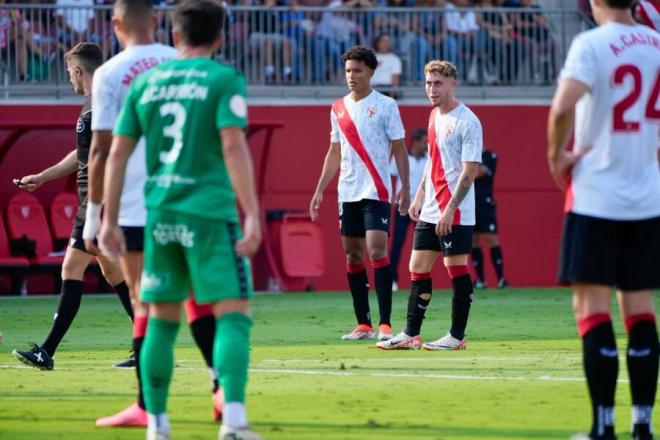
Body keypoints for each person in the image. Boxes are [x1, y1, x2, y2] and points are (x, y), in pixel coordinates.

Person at [98, 2, 262, 438]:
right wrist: (252, 214)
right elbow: (232, 147)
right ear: (221, 39)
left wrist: (108, 219)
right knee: (232, 315)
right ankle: (234, 421)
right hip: (209, 214)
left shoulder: (146, 82)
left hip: (159, 216)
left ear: (174, 36)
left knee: (159, 320)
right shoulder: (224, 78)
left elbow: (116, 153)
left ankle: (157, 425)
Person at [81, 0, 222, 428]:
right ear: (158, 22)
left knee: (145, 302)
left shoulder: (108, 74)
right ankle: (221, 388)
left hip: (134, 204)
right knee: (198, 296)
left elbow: (103, 151)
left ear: (116, 23)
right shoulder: (179, 62)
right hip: (187, 198)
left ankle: (149, 409)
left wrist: (93, 217)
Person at [547, 0, 660, 438]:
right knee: (640, 308)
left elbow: (561, 109)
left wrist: (556, 156)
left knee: (591, 309)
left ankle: (602, 426)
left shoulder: (591, 44)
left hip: (596, 195)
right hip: (647, 198)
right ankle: (644, 426)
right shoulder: (655, 44)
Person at [11, 42, 133, 371]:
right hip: (100, 200)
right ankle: (145, 344)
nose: (69, 81)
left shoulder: (99, 105)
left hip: (97, 201)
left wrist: (96, 206)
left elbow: (101, 157)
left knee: (70, 269)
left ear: (78, 70)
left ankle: (46, 350)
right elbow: (81, 155)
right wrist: (44, 176)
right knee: (112, 271)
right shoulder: (98, 103)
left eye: (69, 74)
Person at [377, 60, 482, 351]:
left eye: (437, 83)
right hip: (432, 208)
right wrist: (421, 195)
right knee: (416, 266)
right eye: (428, 83)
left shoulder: (468, 121)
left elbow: (469, 171)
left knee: (455, 268)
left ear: (452, 84)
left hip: (456, 212)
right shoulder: (434, 116)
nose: (431, 89)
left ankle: (457, 336)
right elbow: (433, 161)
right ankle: (411, 333)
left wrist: (449, 209)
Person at [309, 45, 410, 342]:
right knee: (353, 256)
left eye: (357, 71)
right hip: (347, 190)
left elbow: (400, 149)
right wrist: (319, 190)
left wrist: (403, 186)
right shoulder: (337, 108)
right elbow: (334, 152)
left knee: (377, 251)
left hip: (376, 189)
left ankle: (386, 323)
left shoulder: (387, 105)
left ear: (371, 73)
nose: (351, 76)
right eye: (348, 71)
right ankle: (363, 324)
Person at [389, 128, 428, 291]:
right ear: (416, 141)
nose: (427, 144)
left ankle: (422, 278)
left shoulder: (428, 159)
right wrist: (393, 195)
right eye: (425, 141)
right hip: (403, 206)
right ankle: (392, 280)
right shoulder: (402, 157)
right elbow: (391, 176)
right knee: (397, 243)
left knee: (423, 243)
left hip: (422, 207)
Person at [471, 148, 508, 289]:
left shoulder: (490, 156)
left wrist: (466, 171)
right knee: (474, 240)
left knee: (492, 239)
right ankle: (480, 279)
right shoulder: (467, 155)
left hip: (486, 204)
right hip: (470, 204)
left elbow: (481, 171)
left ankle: (501, 279)